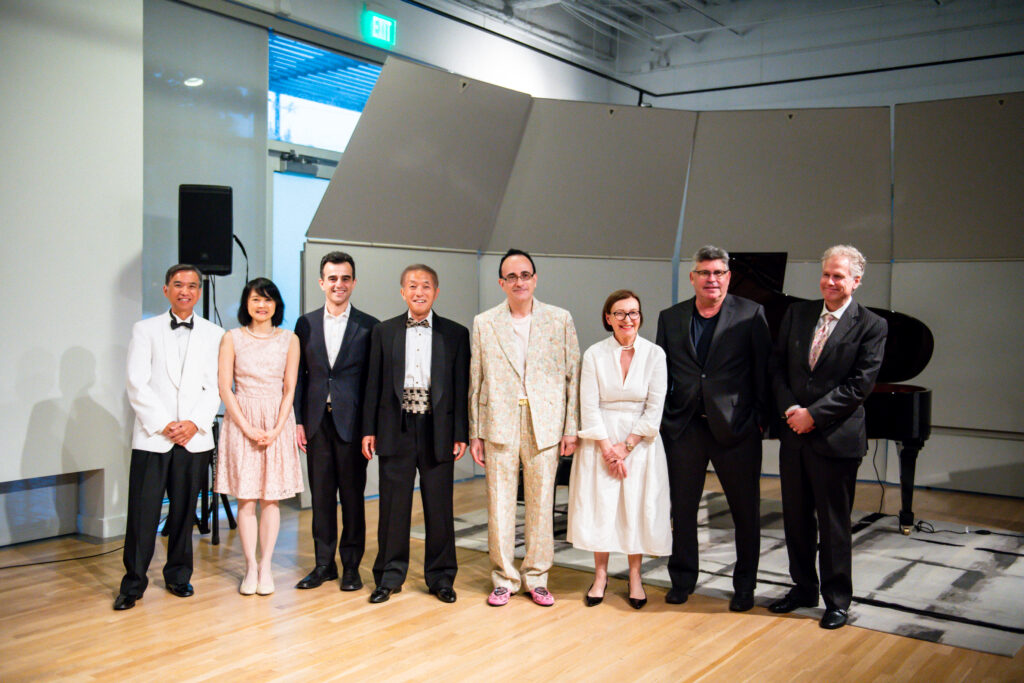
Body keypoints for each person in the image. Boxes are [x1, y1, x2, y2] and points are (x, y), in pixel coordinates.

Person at [768, 244, 887, 630]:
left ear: (856, 281)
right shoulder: (798, 313)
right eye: (826, 274)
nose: (830, 282)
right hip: (794, 435)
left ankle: (837, 600)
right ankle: (803, 588)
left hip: (836, 439)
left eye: (839, 275)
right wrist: (791, 411)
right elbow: (778, 369)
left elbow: (859, 386)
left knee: (834, 526)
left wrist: (813, 416)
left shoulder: (871, 326)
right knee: (796, 520)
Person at [656, 245, 772, 612]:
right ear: (692, 278)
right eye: (704, 273)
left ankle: (744, 586)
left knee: (745, 512)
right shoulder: (670, 317)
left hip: (736, 430)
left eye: (719, 273)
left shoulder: (752, 314)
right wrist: (664, 421)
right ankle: (682, 579)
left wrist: (758, 421)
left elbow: (764, 372)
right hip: (685, 427)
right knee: (683, 510)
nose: (712, 279)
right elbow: (661, 374)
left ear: (728, 277)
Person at [469, 248, 581, 607]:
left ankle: (537, 575)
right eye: (511, 276)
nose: (519, 281)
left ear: (535, 278)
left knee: (540, 503)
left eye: (525, 274)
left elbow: (572, 377)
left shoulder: (559, 319)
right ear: (501, 282)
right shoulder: (485, 322)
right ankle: (503, 577)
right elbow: (476, 380)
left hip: (545, 423)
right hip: (499, 422)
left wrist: (570, 428)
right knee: (499, 504)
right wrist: (475, 431)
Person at [113, 265, 224, 611]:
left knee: (183, 512)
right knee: (143, 514)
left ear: (199, 291)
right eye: (178, 285)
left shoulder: (215, 333)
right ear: (165, 290)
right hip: (153, 438)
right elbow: (136, 382)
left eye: (192, 285)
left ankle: (179, 575)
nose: (185, 291)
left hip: (194, 439)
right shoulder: (144, 329)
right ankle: (133, 584)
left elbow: (215, 386)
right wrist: (165, 424)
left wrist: (193, 423)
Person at [361, 265, 470, 604]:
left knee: (439, 507)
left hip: (438, 428)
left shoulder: (455, 333)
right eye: (412, 286)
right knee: (393, 506)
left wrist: (460, 432)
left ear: (436, 292)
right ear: (402, 292)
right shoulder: (384, 331)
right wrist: (369, 429)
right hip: (396, 425)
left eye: (425, 286)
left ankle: (441, 578)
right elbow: (373, 385)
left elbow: (460, 387)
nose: (419, 292)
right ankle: (389, 576)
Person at [567, 290, 671, 610]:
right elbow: (589, 403)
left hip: (640, 443)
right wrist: (607, 448)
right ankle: (600, 575)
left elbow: (655, 407)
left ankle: (635, 576)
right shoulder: (595, 354)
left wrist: (625, 448)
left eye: (634, 313)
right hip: (600, 442)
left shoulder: (655, 355)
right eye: (621, 313)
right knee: (602, 507)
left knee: (635, 508)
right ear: (608, 318)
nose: (628, 319)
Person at [294, 252, 379, 592]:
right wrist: (298, 421)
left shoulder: (370, 325)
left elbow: (373, 383)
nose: (338, 285)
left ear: (353, 283)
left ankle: (351, 567)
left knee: (353, 498)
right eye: (332, 278)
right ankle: (323, 565)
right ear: (321, 283)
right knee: (322, 498)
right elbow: (300, 377)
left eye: (345, 278)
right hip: (316, 424)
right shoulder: (306, 324)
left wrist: (370, 428)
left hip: (353, 427)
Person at [214, 278, 302, 596]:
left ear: (276, 304)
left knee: (271, 498)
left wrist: (278, 427)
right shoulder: (232, 338)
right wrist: (247, 427)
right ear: (246, 304)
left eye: (267, 299)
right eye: (255, 299)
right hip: (242, 419)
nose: (261, 305)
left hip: (276, 418)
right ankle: (250, 566)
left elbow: (290, 387)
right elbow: (225, 387)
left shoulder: (289, 339)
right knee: (247, 498)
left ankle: (267, 566)